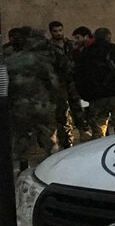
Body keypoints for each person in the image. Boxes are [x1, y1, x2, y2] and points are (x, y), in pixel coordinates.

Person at [5, 27, 75, 171]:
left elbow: (7, 84)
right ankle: (54, 168)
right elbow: (57, 81)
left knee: (23, 140)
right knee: (49, 139)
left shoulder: (10, 58)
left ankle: (24, 169)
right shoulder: (45, 56)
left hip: (21, 107)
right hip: (43, 105)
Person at [74, 28, 115, 139]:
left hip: (96, 98)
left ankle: (100, 154)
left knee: (98, 134)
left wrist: (86, 96)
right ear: (109, 37)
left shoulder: (86, 54)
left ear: (95, 37)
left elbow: (79, 77)